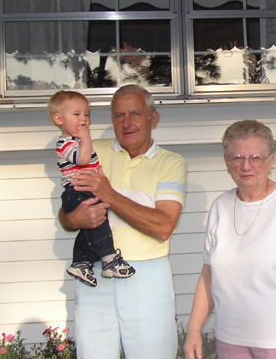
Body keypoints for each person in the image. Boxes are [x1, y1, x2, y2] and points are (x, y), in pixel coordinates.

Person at [57, 84, 187, 359]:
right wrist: (74, 218)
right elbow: (66, 215)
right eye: (118, 115)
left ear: (153, 118)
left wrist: (109, 195)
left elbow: (163, 226)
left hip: (146, 275)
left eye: (135, 114)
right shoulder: (90, 152)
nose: (126, 123)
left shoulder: (171, 163)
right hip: (94, 273)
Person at [184, 120, 276, 359]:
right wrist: (193, 329)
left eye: (255, 158)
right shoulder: (220, 207)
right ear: (227, 162)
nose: (246, 166)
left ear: (270, 162)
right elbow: (208, 274)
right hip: (230, 340)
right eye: (237, 158)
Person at [48, 91, 135, 288]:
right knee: (98, 221)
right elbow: (83, 159)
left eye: (86, 115)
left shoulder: (77, 142)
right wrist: (86, 138)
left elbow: (90, 164)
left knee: (90, 224)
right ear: (59, 119)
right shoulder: (66, 144)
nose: (84, 120)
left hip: (84, 189)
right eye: (77, 114)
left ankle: (80, 262)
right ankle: (109, 258)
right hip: (77, 191)